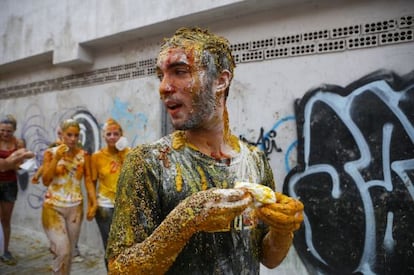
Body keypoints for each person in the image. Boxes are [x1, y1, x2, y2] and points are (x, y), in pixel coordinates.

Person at [106, 27, 304, 274]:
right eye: (161, 76)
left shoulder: (255, 160)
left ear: (221, 81)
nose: (164, 87)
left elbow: (268, 258)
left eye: (180, 72)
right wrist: (186, 220)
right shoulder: (149, 163)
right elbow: (119, 268)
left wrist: (283, 229)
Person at [41, 118, 97, 274]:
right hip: (53, 206)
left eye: (76, 135)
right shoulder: (50, 153)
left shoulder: (83, 155)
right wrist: (57, 158)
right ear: (62, 135)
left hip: (75, 208)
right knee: (63, 251)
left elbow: (88, 181)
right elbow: (46, 180)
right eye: (69, 135)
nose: (73, 139)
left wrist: (93, 202)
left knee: (69, 253)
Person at [90, 118, 130, 270]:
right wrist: (93, 204)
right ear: (104, 137)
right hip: (105, 207)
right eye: (109, 134)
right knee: (110, 246)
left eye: (116, 134)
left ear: (121, 136)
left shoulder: (129, 153)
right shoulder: (97, 157)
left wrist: (123, 153)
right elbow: (91, 183)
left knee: (127, 244)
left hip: (125, 206)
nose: (112, 137)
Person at [0, 114, 27, 265]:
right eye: (2, 130)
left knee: (6, 220)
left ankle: (5, 250)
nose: (5, 134)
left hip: (10, 184)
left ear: (14, 131)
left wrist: (7, 164)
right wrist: (10, 163)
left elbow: (20, 165)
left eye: (8, 131)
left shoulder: (18, 143)